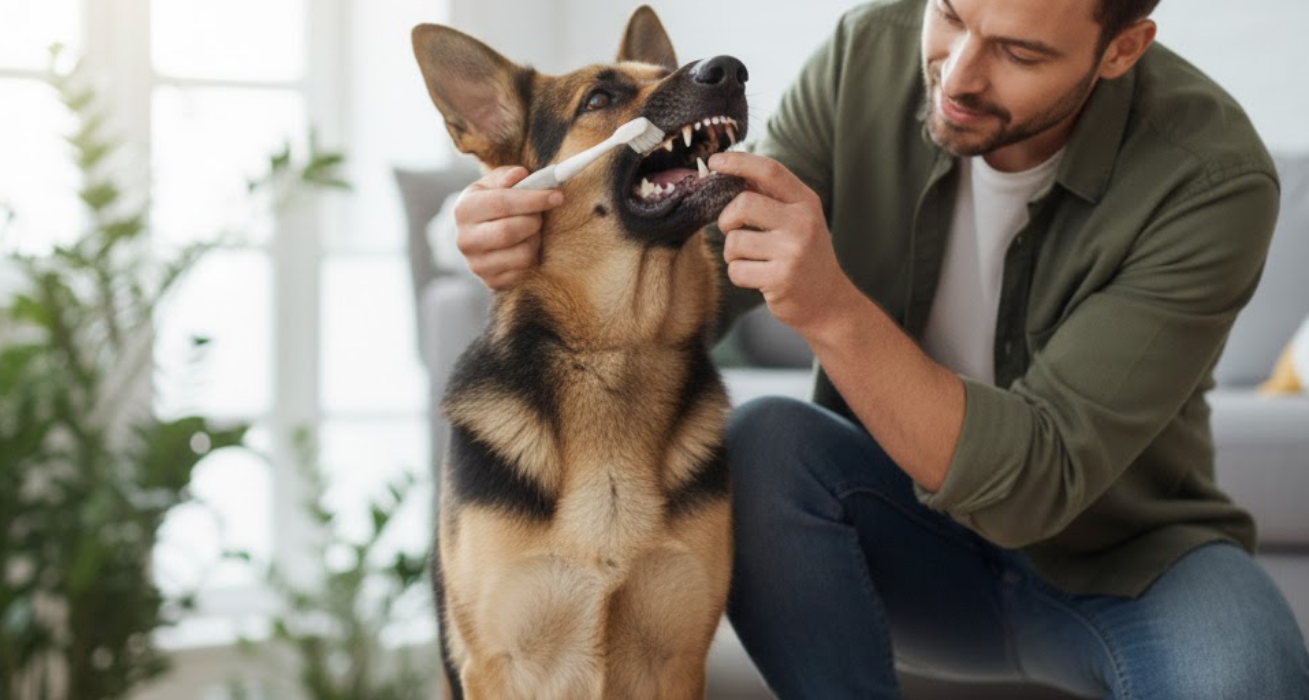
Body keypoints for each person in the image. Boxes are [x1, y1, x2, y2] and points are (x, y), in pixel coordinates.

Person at [449, 0, 1309, 697]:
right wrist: (536, 241)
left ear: (1122, 49)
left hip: (1131, 560)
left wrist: (829, 307)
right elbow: (697, 272)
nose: (960, 74)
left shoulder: (1212, 176)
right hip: (903, 536)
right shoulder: (871, 54)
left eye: (1018, 51)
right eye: (952, 15)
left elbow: (1036, 484)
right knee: (768, 443)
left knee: (1248, 679)